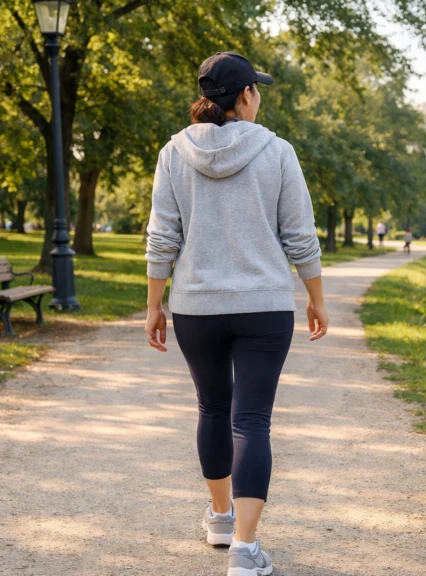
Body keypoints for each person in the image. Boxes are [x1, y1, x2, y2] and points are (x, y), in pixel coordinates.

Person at [144, 51, 328, 576]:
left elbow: (162, 237)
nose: (260, 97)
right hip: (265, 307)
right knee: (252, 419)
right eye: (258, 89)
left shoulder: (173, 153)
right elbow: (300, 236)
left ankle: (222, 518)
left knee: (211, 409)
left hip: (196, 308)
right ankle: (245, 551)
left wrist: (155, 305)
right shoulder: (278, 152)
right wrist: (316, 297)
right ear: (246, 95)